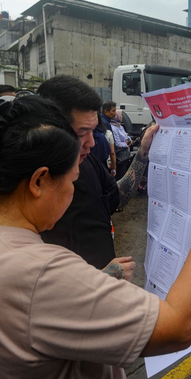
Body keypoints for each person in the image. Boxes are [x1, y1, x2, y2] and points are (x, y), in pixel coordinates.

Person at [0, 95, 191, 379]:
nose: (71, 191)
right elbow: (178, 327)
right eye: (71, 181)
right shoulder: (41, 273)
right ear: (39, 181)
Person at [37, 76, 158, 270]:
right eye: (82, 132)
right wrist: (101, 278)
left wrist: (143, 153)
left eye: (94, 131)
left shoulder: (88, 160)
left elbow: (116, 197)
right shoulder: (30, 183)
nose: (91, 143)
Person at [112, 109, 133, 181]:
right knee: (120, 176)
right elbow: (117, 144)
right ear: (116, 116)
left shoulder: (120, 126)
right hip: (120, 157)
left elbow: (126, 136)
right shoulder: (113, 128)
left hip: (126, 155)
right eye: (120, 115)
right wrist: (127, 144)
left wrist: (130, 140)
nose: (122, 117)